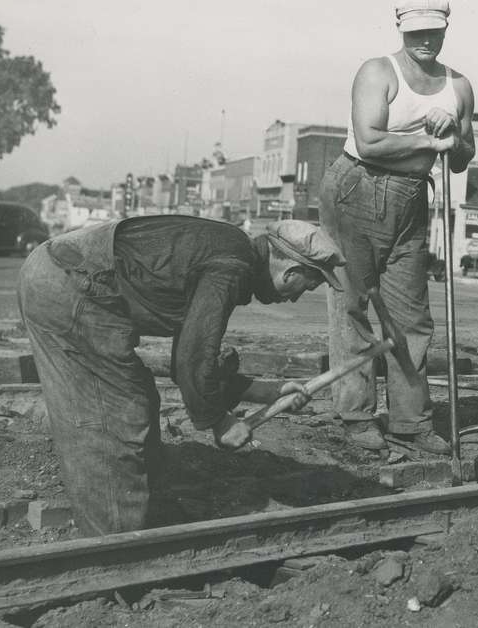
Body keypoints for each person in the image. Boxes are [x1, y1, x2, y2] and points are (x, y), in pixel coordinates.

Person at [18, 217, 345, 536]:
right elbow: (193, 357)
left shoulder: (230, 251)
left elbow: (186, 359)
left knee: (138, 400)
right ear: (291, 271)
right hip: (70, 287)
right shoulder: (233, 266)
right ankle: (113, 547)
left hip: (59, 275)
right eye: (308, 286)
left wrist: (267, 391)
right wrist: (220, 422)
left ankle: (141, 516)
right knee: (119, 411)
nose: (297, 298)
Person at [320, 0, 475, 454]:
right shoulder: (377, 72)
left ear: (445, 30)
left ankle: (411, 420)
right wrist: (431, 142)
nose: (425, 40)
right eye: (416, 32)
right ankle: (356, 415)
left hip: (410, 199)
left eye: (434, 31)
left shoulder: (459, 86)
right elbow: (368, 143)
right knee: (353, 306)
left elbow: (463, 159)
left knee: (411, 316)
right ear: (402, 30)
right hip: (357, 189)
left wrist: (453, 133)